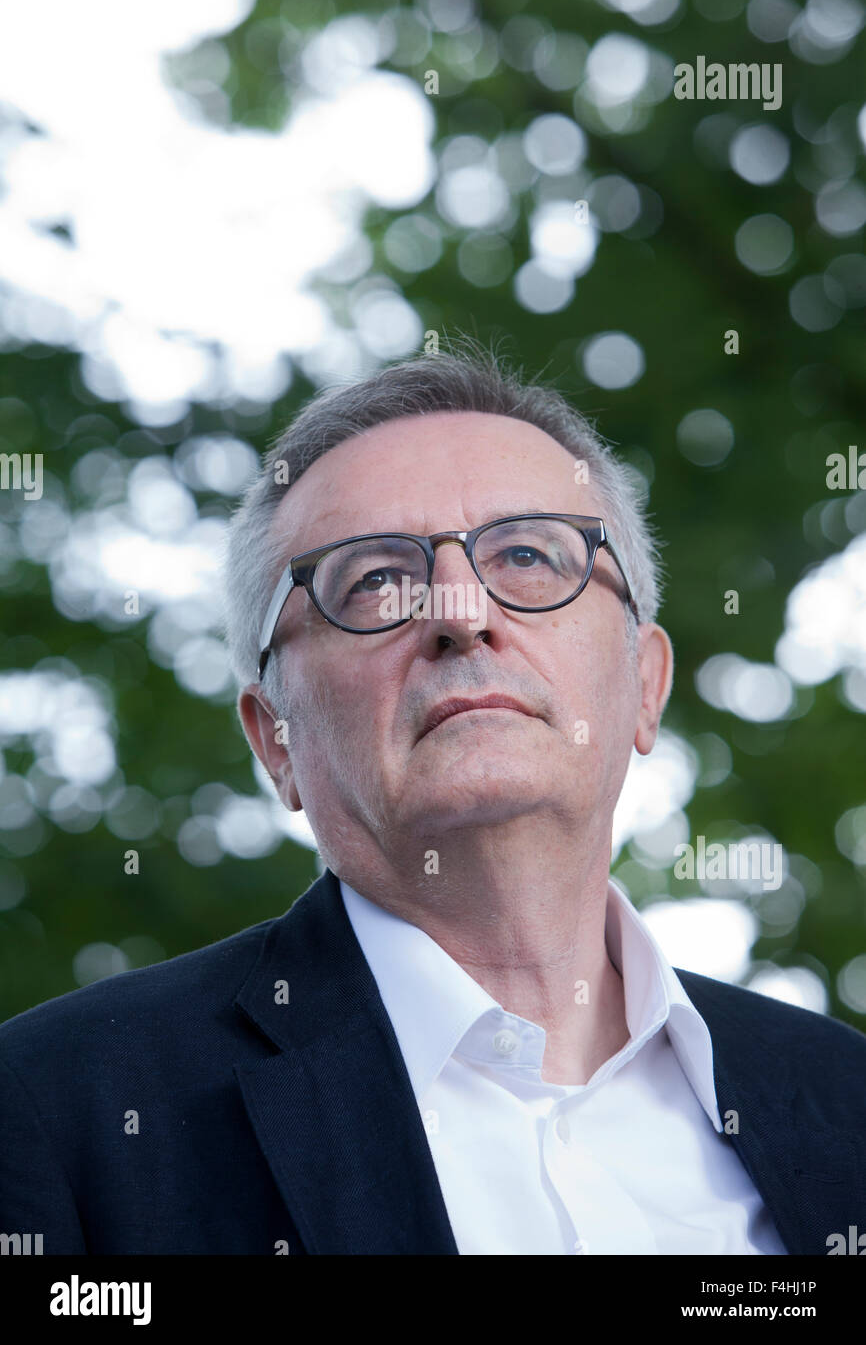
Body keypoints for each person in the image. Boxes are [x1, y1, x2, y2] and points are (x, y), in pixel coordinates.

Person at [1, 347, 863, 1255]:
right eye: (374, 580)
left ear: (644, 686)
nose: (460, 609)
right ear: (275, 741)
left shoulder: (847, 1103)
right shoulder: (55, 1115)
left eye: (528, 554)